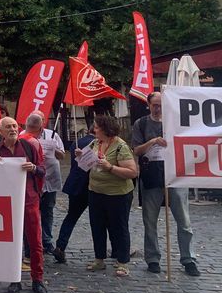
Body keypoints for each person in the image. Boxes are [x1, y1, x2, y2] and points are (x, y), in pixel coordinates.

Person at [132, 91, 199, 276]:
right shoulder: (141, 124)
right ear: (149, 105)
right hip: (152, 176)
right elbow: (137, 150)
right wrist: (153, 142)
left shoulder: (176, 122)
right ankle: (153, 259)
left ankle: (188, 258)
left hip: (176, 175)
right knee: (150, 221)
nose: (158, 108)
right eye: (155, 104)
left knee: (184, 221)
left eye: (161, 104)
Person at [0, 116, 47, 293]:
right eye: (8, 127)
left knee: (35, 242)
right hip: (6, 202)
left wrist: (33, 168)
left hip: (29, 199)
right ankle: (14, 279)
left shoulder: (29, 147)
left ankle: (37, 280)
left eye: (15, 126)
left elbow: (42, 170)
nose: (13, 129)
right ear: (1, 131)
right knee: (11, 242)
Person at [78, 115, 138, 277]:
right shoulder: (95, 142)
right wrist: (80, 156)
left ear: (105, 129)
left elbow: (132, 172)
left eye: (96, 127)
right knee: (97, 226)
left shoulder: (120, 146)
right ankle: (99, 259)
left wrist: (110, 167)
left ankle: (123, 262)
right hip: (96, 191)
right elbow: (86, 163)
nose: (93, 129)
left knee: (119, 227)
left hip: (117, 194)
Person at [53, 122, 96, 263]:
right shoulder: (99, 143)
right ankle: (108, 251)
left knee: (71, 217)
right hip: (92, 186)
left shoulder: (77, 142)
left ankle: (60, 246)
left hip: (76, 184)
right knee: (99, 220)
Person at [23, 112, 65, 255]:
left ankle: (46, 241)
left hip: (50, 178)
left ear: (43, 123)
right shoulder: (23, 134)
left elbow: (62, 156)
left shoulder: (52, 135)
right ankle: (30, 243)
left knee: (48, 210)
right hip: (31, 180)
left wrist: (54, 149)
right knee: (30, 212)